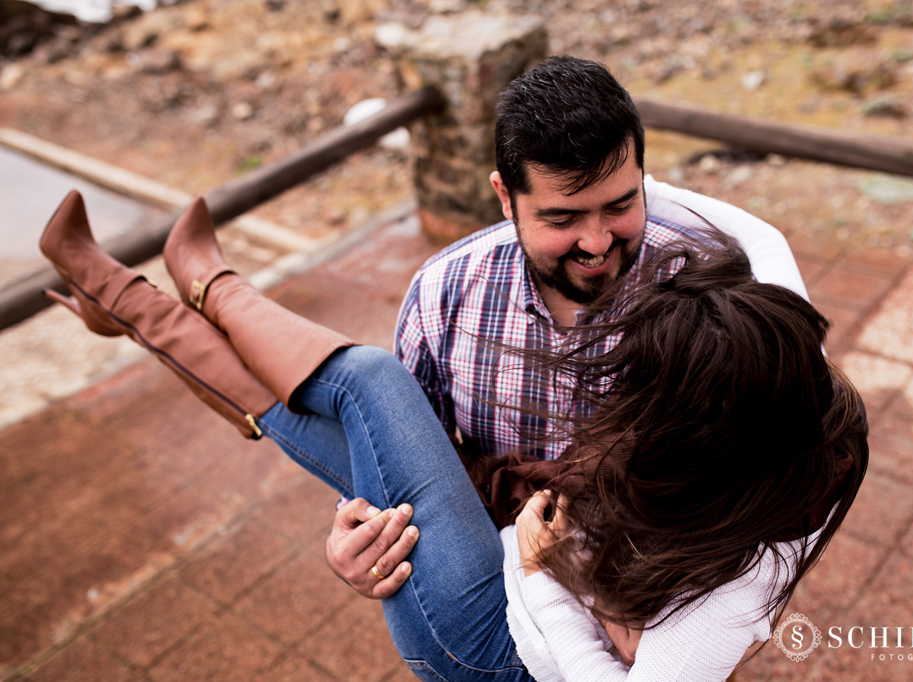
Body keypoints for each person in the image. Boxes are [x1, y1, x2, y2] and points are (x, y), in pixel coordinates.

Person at [39, 186, 867, 681]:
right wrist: (627, 191)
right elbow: (763, 241)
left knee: (367, 382)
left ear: (707, 435)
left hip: (500, 653)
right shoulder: (784, 366)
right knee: (327, 411)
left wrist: (540, 572)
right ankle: (130, 302)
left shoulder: (743, 580)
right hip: (514, 551)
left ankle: (204, 285)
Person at [336, 55, 810, 596]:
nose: (597, 242)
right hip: (497, 586)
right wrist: (360, 534)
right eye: (562, 218)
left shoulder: (706, 286)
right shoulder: (441, 294)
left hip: (659, 601)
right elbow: (402, 454)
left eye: (621, 206)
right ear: (506, 197)